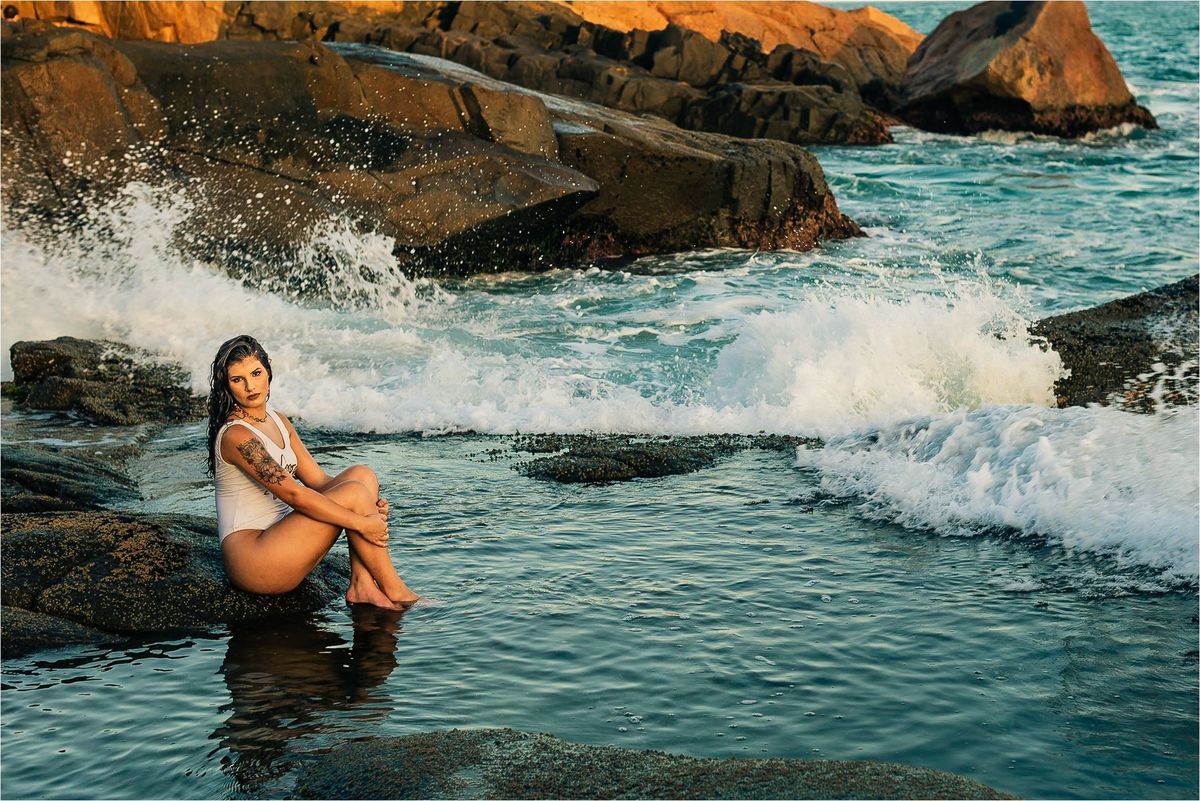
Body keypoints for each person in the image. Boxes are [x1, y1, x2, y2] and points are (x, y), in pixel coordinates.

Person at [207, 334, 418, 610]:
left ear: (268, 372)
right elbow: (295, 494)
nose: (250, 386)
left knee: (362, 476)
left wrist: (367, 505)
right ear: (227, 386)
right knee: (354, 494)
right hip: (253, 559)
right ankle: (397, 591)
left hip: (284, 537)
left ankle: (362, 584)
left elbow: (318, 481)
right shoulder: (236, 436)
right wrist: (362, 521)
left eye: (256, 373)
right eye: (238, 380)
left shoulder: (278, 420)